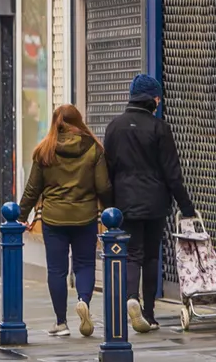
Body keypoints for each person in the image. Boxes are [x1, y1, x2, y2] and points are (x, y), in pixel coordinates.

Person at [104, 73, 195, 333]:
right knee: (152, 255)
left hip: (125, 202)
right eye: (157, 98)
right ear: (152, 99)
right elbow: (172, 173)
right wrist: (186, 206)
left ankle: (131, 297)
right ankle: (150, 314)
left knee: (132, 253)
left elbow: (107, 169)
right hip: (155, 202)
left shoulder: (114, 127)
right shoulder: (159, 128)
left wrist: (108, 205)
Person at [18, 104, 112, 337]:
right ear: (79, 121)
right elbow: (103, 186)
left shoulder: (45, 150)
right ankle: (83, 302)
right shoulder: (93, 148)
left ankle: (61, 323)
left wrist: (21, 215)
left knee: (57, 270)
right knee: (85, 264)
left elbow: (32, 188)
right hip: (85, 216)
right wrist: (112, 210)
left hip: (54, 218)